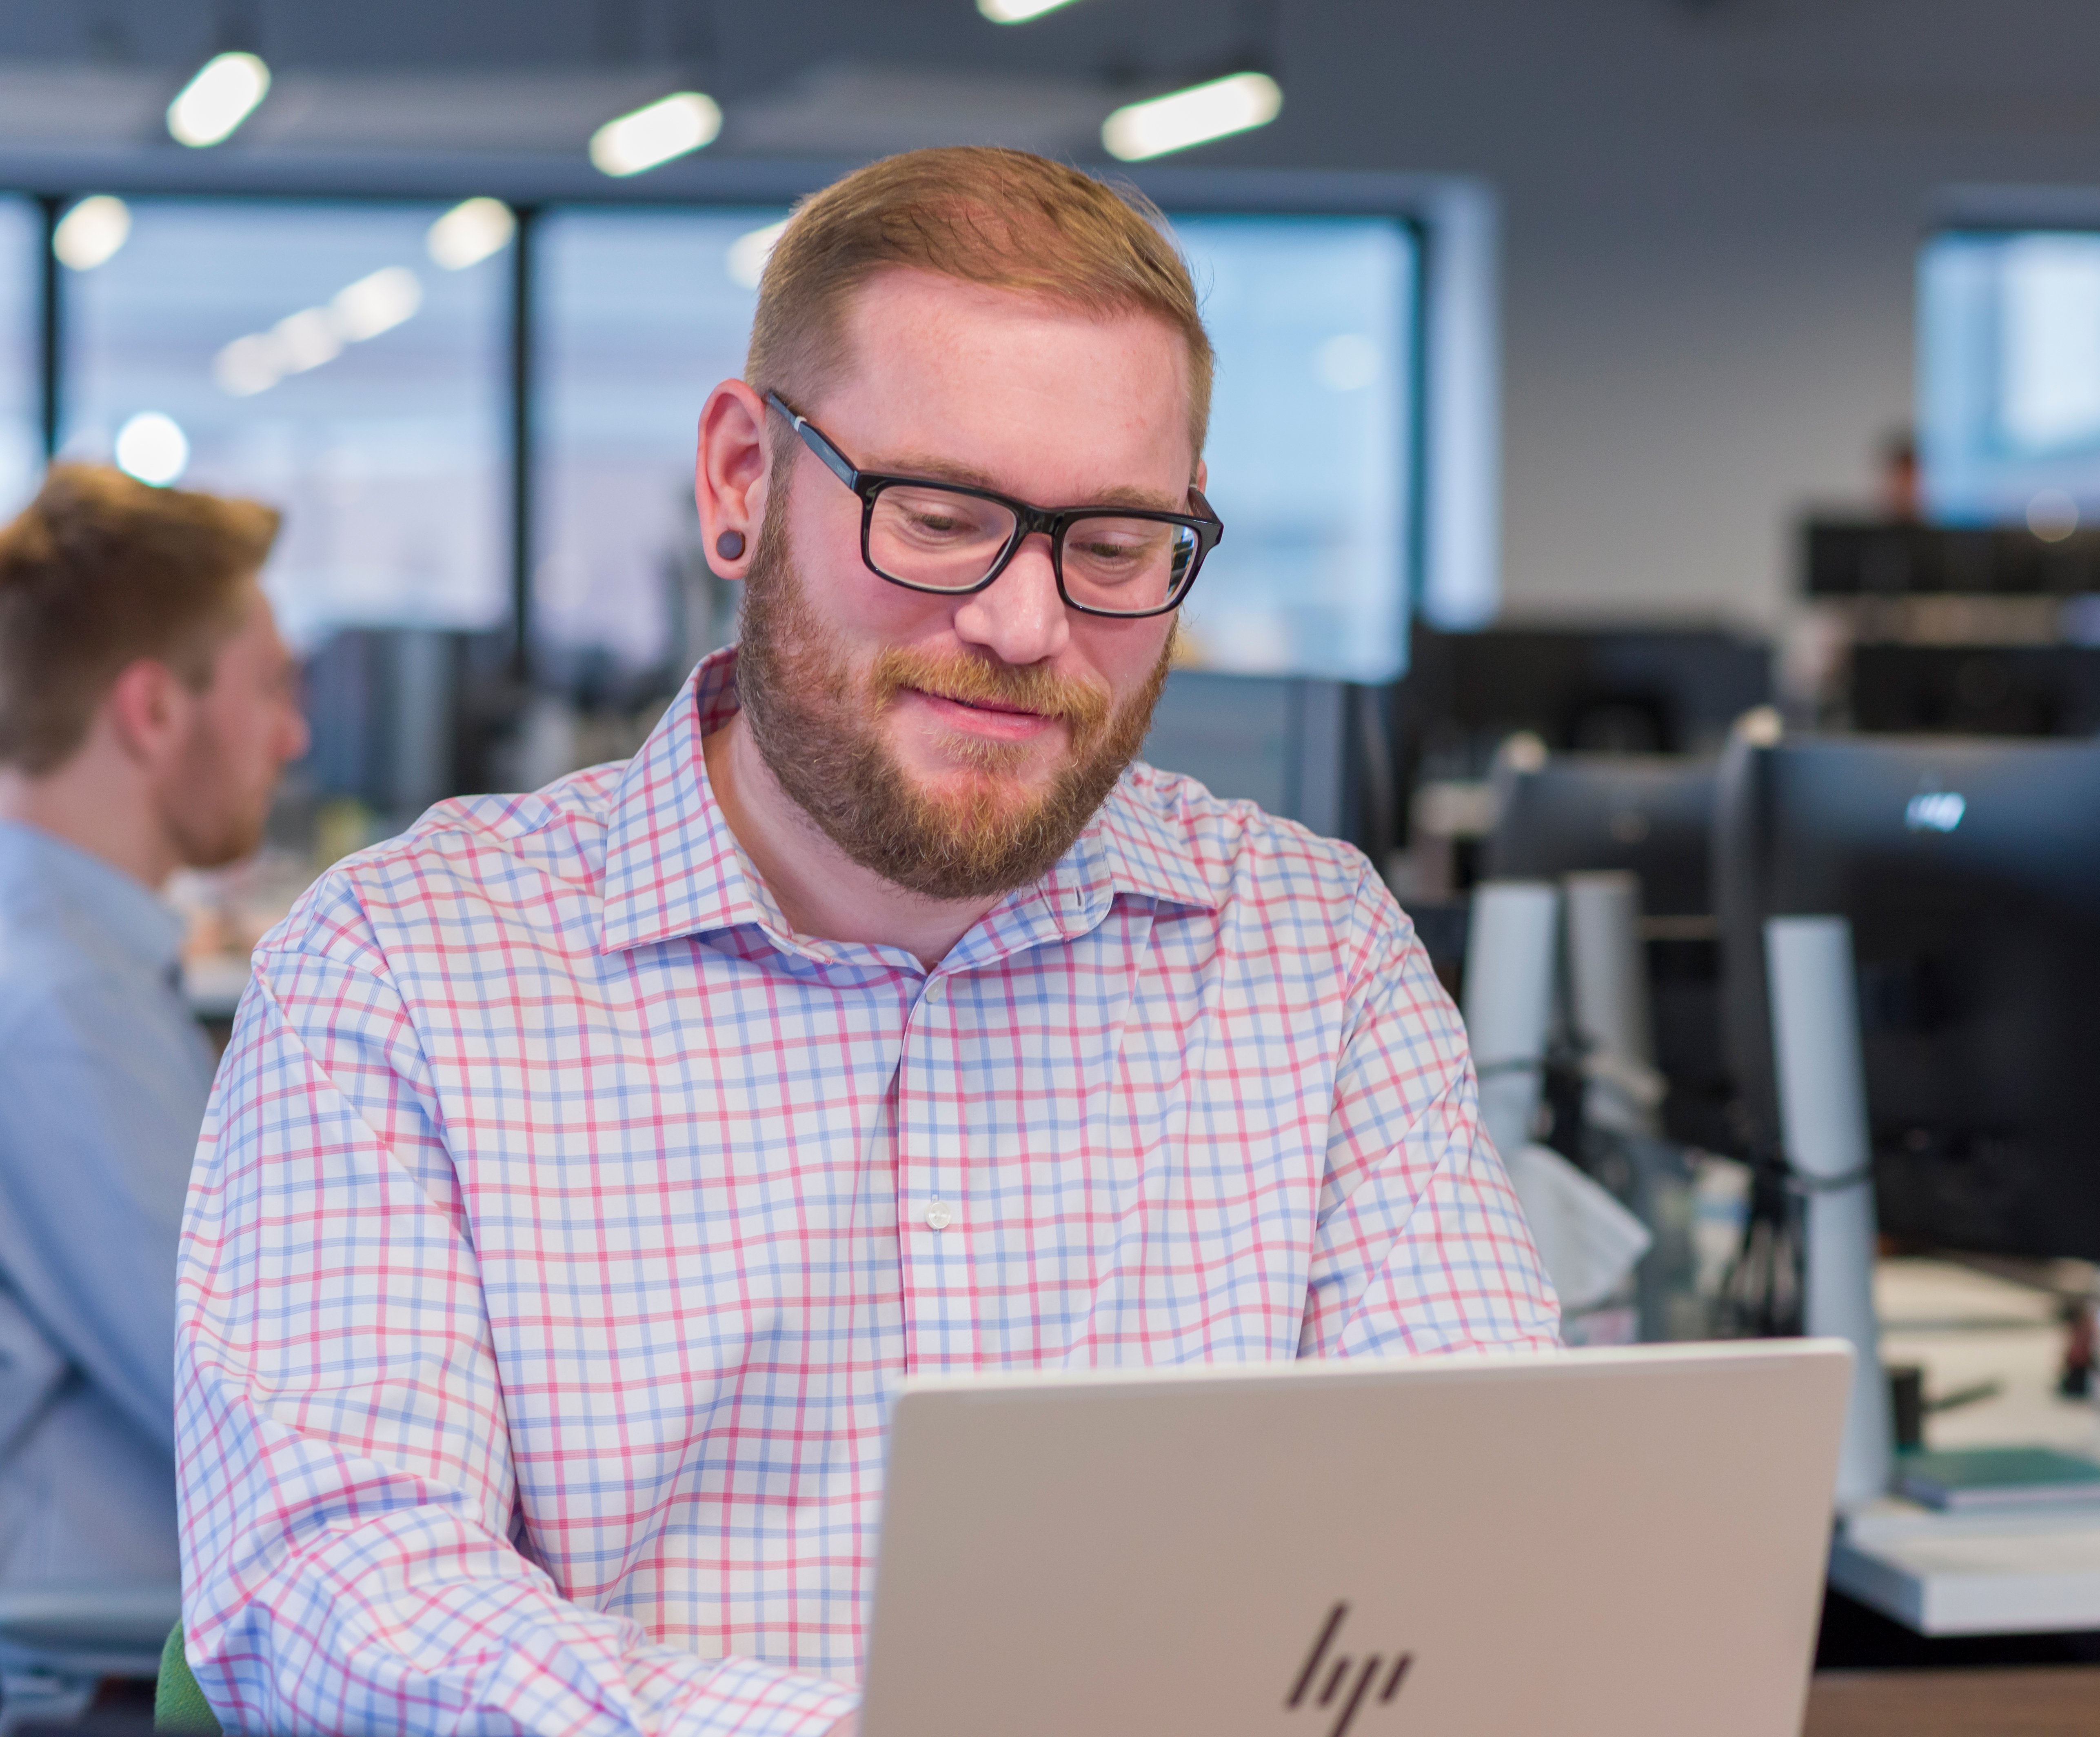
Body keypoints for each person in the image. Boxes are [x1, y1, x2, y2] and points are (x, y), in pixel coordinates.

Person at [174, 148, 1559, 1734]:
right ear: (740, 482)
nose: (1026, 626)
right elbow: (336, 1591)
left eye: (1116, 546)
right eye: (941, 518)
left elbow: (1482, 1527)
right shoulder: (405, 972)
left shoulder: (1313, 955)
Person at [0, 466, 304, 1583]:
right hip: (104, 1656)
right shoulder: (62, 1010)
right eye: (270, 688)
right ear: (155, 711)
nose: (293, 736)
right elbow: (259, 1416)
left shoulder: (77, 962)